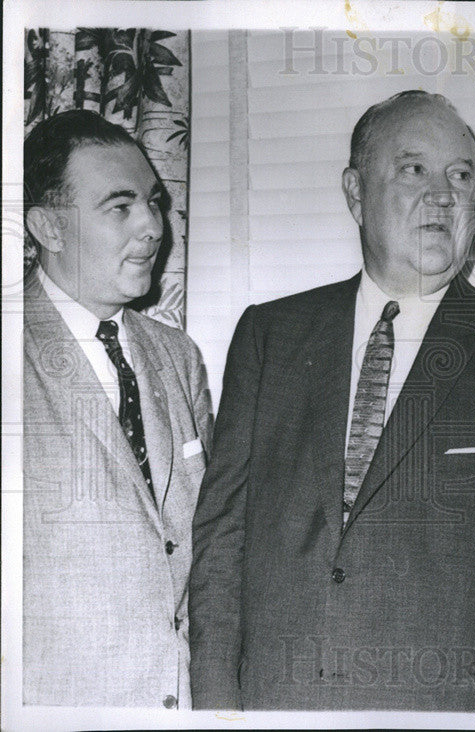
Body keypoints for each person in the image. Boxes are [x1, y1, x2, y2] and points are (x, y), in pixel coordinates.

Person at [189, 90, 475, 711]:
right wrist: (215, 703)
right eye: (415, 169)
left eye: (462, 175)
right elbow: (221, 537)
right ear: (355, 192)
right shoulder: (271, 334)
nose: (444, 195)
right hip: (274, 704)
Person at [22, 109, 213, 707]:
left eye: (154, 203)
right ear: (49, 227)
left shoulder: (178, 357)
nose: (153, 226)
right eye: (121, 207)